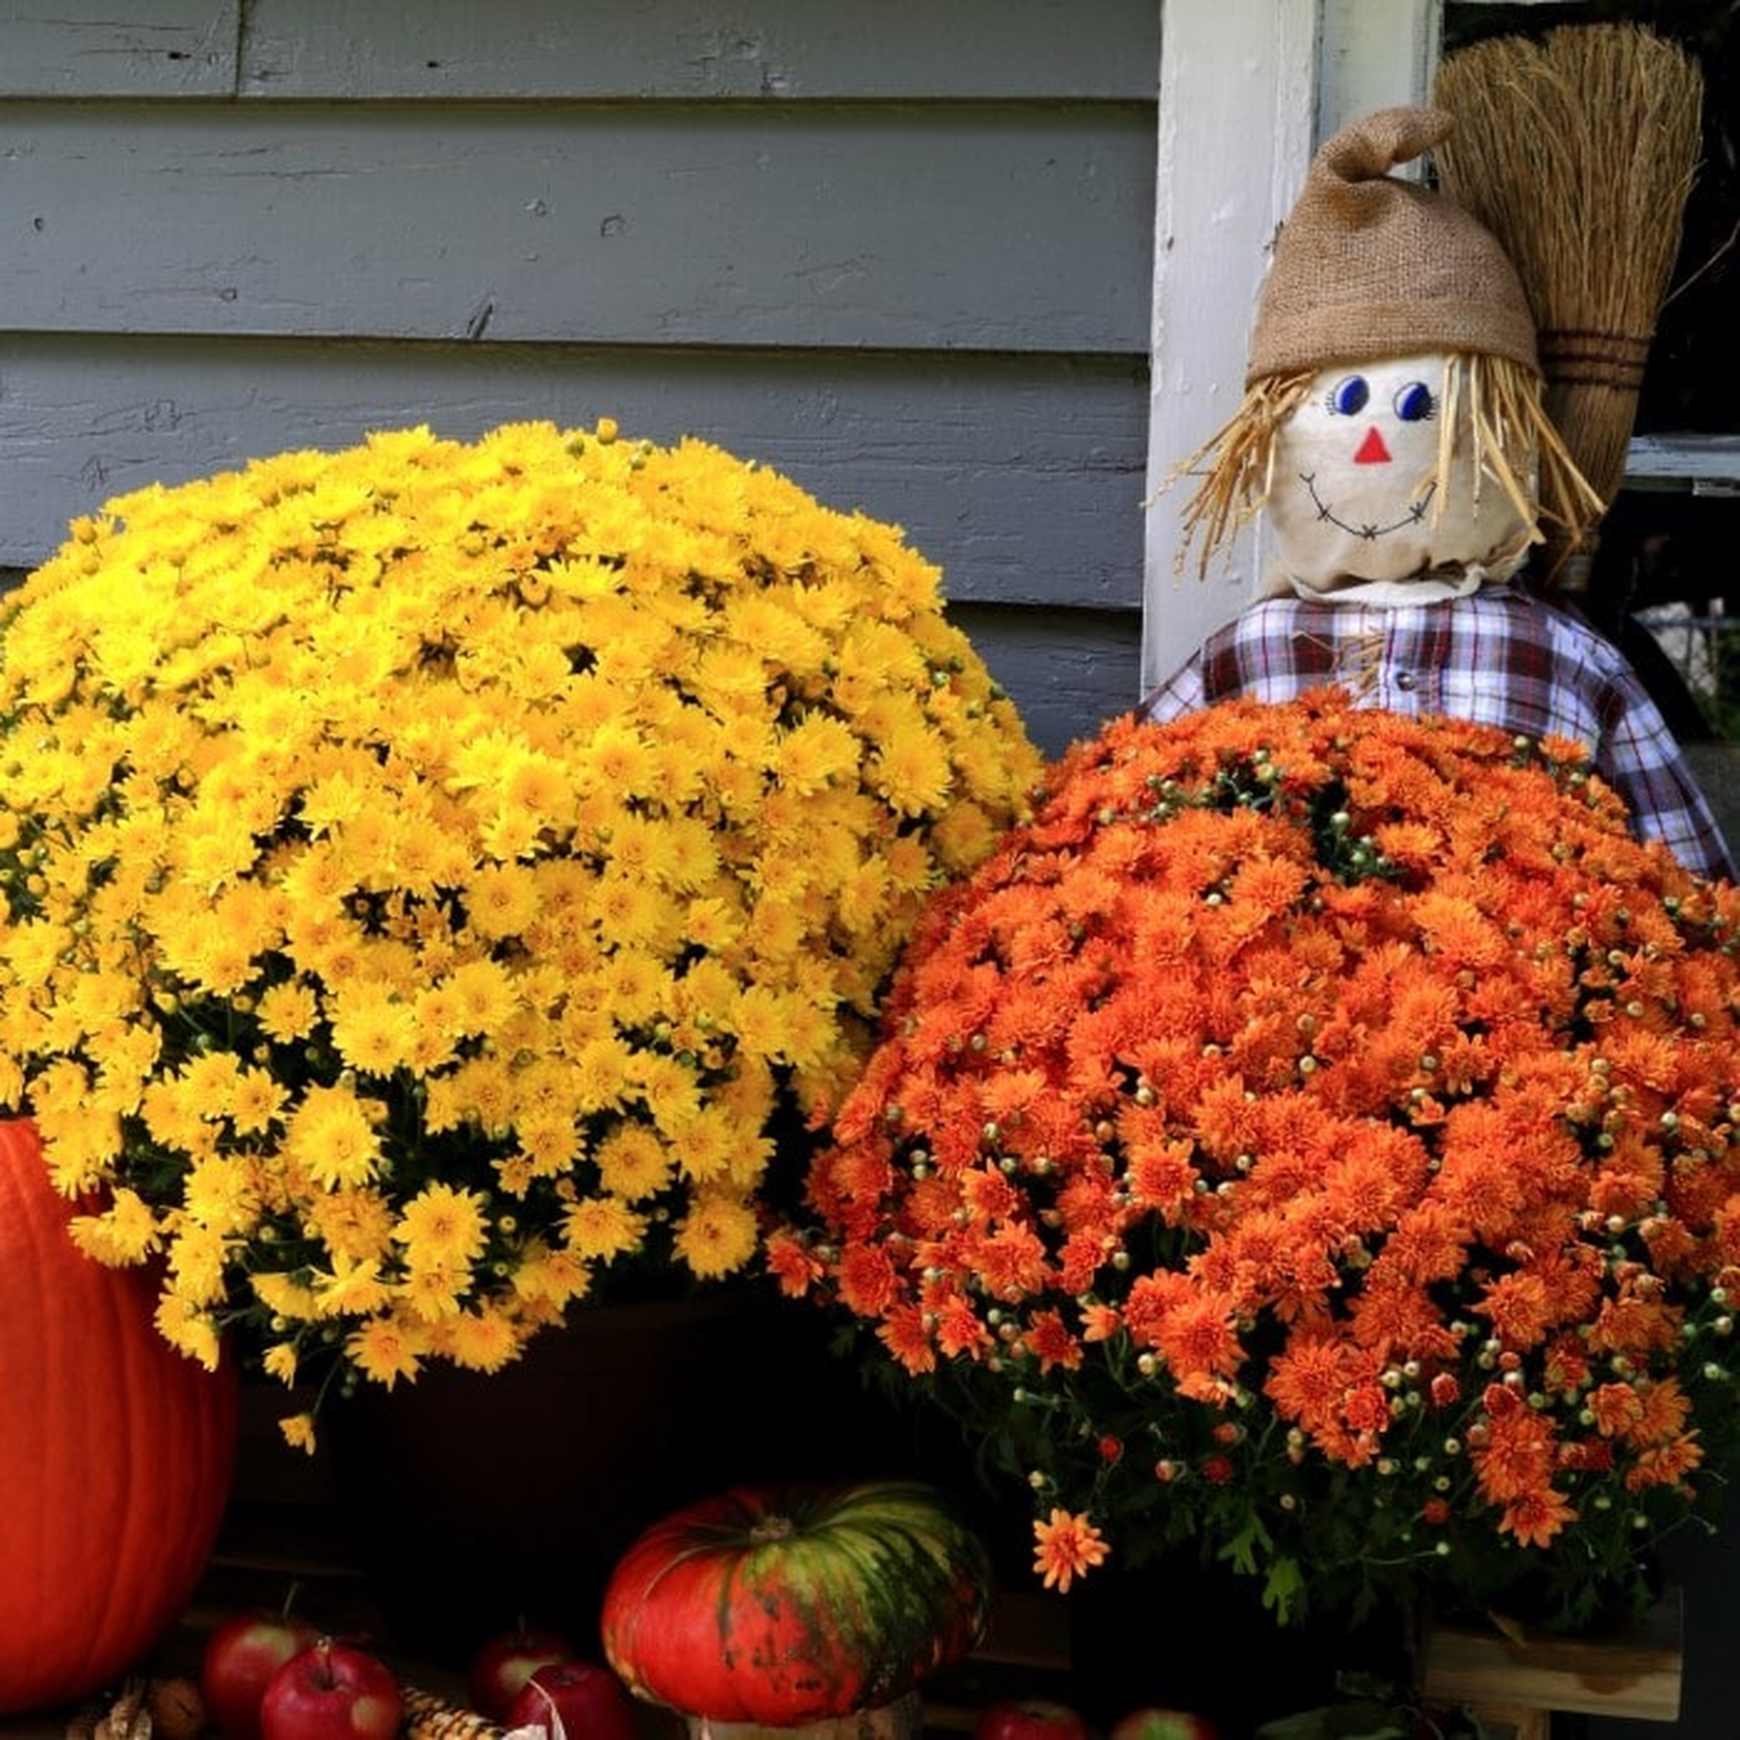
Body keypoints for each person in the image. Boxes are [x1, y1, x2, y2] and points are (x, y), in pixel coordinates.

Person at [1146, 105, 1732, 879]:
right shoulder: (1254, 653)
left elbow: (1698, 894)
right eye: (1344, 405)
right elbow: (1124, 812)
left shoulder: (1566, 662)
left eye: (1424, 407)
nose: (1377, 441)